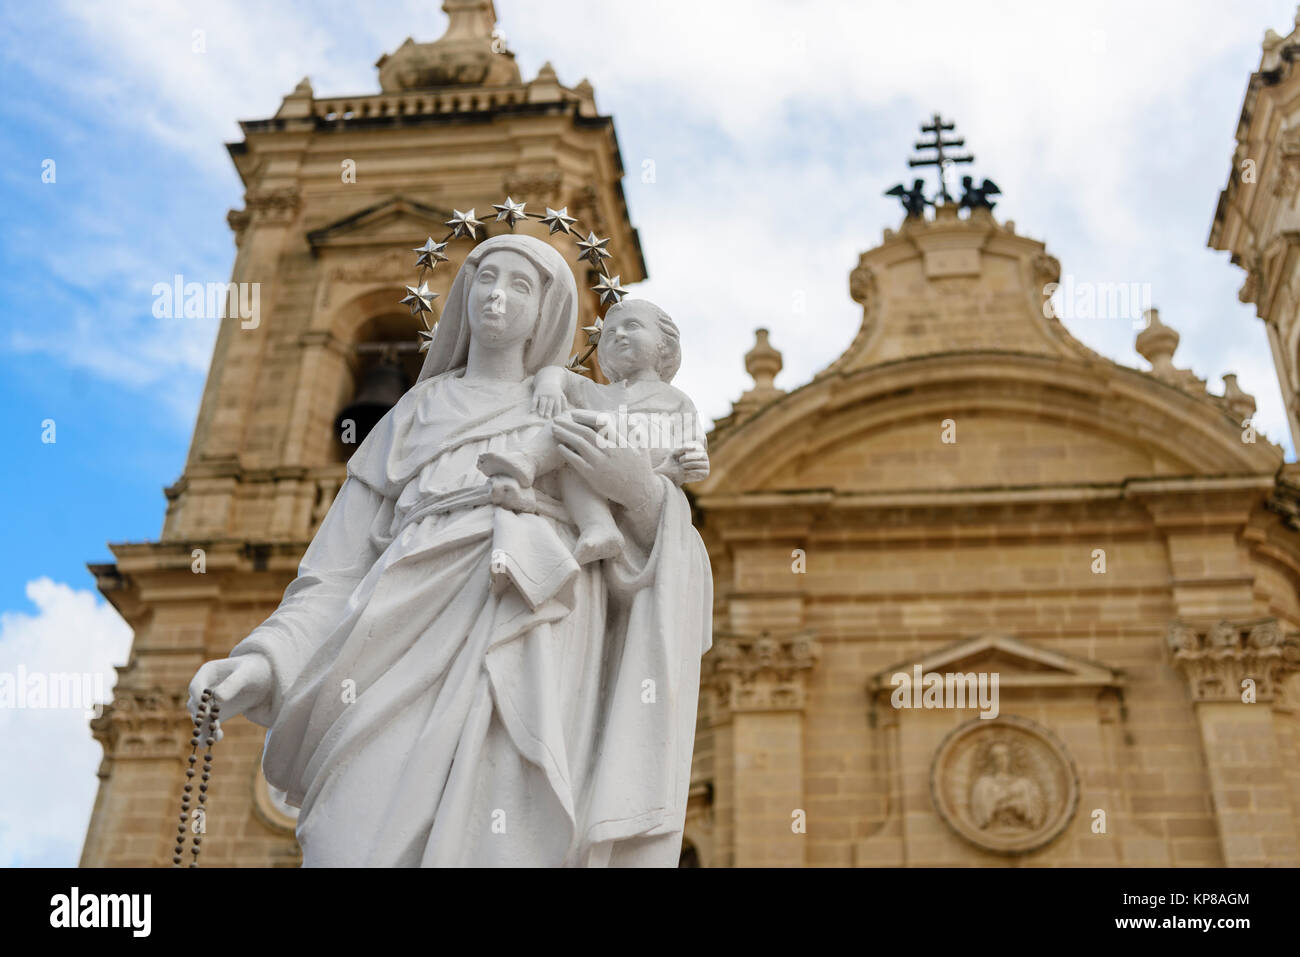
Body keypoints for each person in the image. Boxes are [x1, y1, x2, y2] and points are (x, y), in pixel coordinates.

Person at [187, 234, 712, 867]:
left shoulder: (577, 406)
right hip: (386, 641)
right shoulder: (410, 414)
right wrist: (268, 661)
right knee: (343, 842)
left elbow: (653, 547)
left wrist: (639, 492)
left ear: (550, 309)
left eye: (521, 285)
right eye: (486, 279)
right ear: (462, 294)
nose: (497, 297)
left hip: (532, 638)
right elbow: (333, 572)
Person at [477, 298, 709, 564]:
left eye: (632, 326)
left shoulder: (675, 399)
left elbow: (692, 446)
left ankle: (527, 461)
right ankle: (598, 525)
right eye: (609, 333)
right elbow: (556, 373)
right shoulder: (597, 392)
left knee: (573, 426)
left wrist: (690, 458)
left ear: (664, 345)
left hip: (647, 458)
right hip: (597, 453)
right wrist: (550, 386)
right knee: (572, 455)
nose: (618, 335)